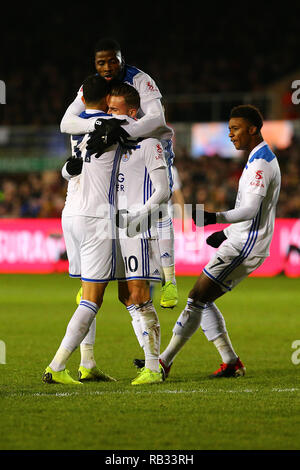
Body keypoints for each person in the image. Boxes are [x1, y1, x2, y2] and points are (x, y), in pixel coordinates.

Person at [141, 104, 281, 379]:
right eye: (229, 129)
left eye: (235, 128)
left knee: (196, 298)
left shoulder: (261, 164)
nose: (231, 134)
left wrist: (214, 218)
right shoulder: (258, 158)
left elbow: (251, 210)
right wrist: (226, 233)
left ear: (253, 129)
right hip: (241, 239)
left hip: (246, 245)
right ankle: (230, 361)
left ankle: (164, 361)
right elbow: (253, 208)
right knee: (201, 299)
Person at [60, 37, 178, 309]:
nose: (107, 66)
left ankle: (169, 279)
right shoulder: (93, 86)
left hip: (150, 145)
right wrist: (100, 126)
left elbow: (157, 119)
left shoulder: (141, 79)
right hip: (120, 149)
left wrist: (121, 130)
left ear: (122, 59)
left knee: (158, 205)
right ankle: (90, 281)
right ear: (95, 64)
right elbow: (67, 121)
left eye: (113, 60)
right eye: (101, 62)